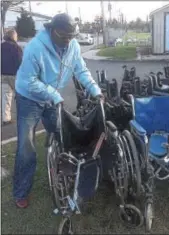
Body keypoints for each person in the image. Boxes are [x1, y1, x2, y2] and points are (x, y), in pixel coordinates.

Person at [13, 13, 103, 208]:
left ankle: (67, 173)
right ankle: (21, 192)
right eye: (63, 36)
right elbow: (29, 80)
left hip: (51, 97)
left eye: (71, 36)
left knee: (64, 135)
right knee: (26, 147)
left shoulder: (73, 46)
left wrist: (95, 91)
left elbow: (81, 70)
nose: (67, 40)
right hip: (29, 97)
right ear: (52, 30)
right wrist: (53, 94)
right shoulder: (35, 48)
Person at [1, 29, 23, 125]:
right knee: (21, 96)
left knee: (6, 97)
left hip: (3, 75)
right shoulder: (16, 47)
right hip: (15, 75)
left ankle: (6, 119)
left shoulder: (1, 46)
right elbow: (20, 62)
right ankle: (23, 116)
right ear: (13, 36)